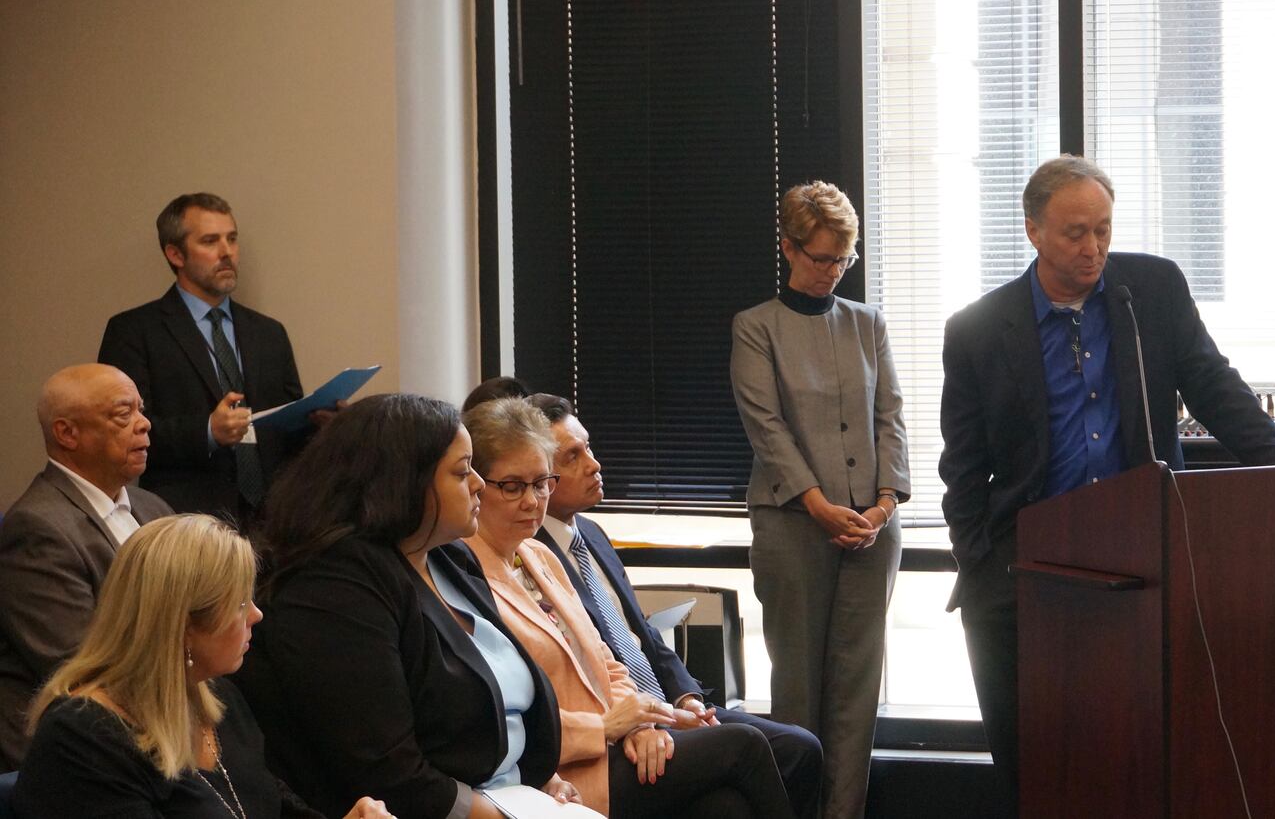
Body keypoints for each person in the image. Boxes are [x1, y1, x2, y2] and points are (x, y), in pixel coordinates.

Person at [938, 154, 1275, 816]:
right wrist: (981, 560)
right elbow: (962, 468)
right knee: (1042, 765)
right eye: (1076, 232)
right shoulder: (978, 330)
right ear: (1033, 231)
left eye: (1103, 228)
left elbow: (1218, 392)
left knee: (1148, 756)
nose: (1094, 247)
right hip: (1030, 572)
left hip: (1143, 563)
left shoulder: (1150, 291)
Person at [232, 394, 593, 819]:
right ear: (402, 483)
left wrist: (536, 782)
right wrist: (508, 814)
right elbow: (387, 771)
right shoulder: (332, 587)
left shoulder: (447, 557)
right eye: (462, 472)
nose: (479, 483)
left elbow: (499, 707)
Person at [462, 397, 796, 817]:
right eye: (513, 487)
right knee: (743, 745)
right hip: (561, 770)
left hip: (615, 741)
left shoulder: (539, 556)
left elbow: (607, 659)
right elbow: (500, 717)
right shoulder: (464, 577)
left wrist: (637, 721)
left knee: (725, 807)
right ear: (474, 484)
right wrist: (609, 727)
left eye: (542, 483)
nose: (532, 501)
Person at [728, 181, 910, 819]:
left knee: (857, 690)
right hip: (792, 525)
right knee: (798, 686)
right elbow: (766, 428)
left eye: (842, 259)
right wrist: (818, 505)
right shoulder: (756, 328)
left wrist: (885, 504)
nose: (831, 271)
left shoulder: (868, 324)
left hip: (872, 526)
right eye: (820, 257)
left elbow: (891, 417)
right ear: (788, 247)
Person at [13, 513, 393, 818]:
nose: (257, 615)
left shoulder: (217, 696)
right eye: (241, 604)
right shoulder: (81, 739)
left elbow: (270, 804)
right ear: (183, 626)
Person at [98, 192, 322, 524]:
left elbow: (287, 423)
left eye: (232, 239)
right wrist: (207, 431)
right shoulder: (134, 331)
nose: (227, 252)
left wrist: (321, 424)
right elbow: (119, 430)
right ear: (175, 254)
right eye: (210, 241)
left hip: (273, 521)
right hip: (187, 520)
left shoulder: (269, 332)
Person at [0, 364, 172, 770]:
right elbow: (81, 667)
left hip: (158, 722)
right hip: (78, 752)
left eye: (141, 410)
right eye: (122, 414)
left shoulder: (153, 507)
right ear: (67, 433)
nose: (144, 424)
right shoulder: (37, 529)